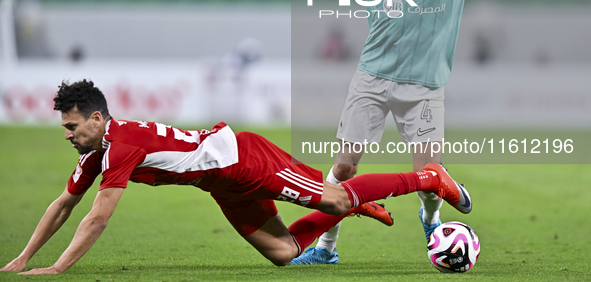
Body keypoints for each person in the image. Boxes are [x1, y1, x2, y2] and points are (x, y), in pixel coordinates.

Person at [292, 0, 578, 264]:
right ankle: (326, 249)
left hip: (425, 86)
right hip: (372, 78)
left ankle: (431, 221)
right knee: (342, 168)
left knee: (429, 176)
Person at [0, 79, 471, 274]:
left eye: (71, 125)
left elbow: (97, 219)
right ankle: (348, 203)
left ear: (97, 119)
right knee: (285, 254)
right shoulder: (97, 153)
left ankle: (428, 178)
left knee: (334, 201)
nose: (67, 134)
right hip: (220, 184)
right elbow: (63, 205)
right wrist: (22, 260)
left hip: (243, 160)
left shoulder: (120, 147)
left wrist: (59, 268)